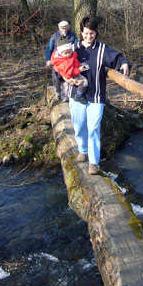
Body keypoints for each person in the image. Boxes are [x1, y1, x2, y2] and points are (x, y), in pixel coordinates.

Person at [66, 16, 130, 175]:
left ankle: (94, 163)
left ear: (96, 33)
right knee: (79, 126)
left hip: (96, 96)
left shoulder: (102, 49)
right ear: (81, 32)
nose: (89, 37)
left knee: (93, 128)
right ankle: (83, 149)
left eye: (92, 34)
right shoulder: (73, 49)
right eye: (86, 33)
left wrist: (124, 64)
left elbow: (118, 57)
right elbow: (60, 66)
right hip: (76, 95)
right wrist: (68, 78)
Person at [45, 20, 78, 100]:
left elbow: (77, 46)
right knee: (56, 75)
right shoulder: (54, 36)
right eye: (62, 28)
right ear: (59, 28)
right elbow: (49, 48)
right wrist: (48, 59)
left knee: (70, 74)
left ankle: (68, 93)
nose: (64, 29)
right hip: (57, 59)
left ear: (68, 27)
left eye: (65, 28)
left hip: (69, 59)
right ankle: (58, 91)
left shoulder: (72, 36)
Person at [50, 35, 88, 103]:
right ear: (60, 53)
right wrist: (79, 70)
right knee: (84, 82)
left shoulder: (72, 54)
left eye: (69, 52)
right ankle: (79, 96)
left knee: (86, 68)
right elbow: (68, 73)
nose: (68, 54)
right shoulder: (64, 62)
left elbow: (74, 58)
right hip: (72, 74)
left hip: (75, 68)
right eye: (65, 53)